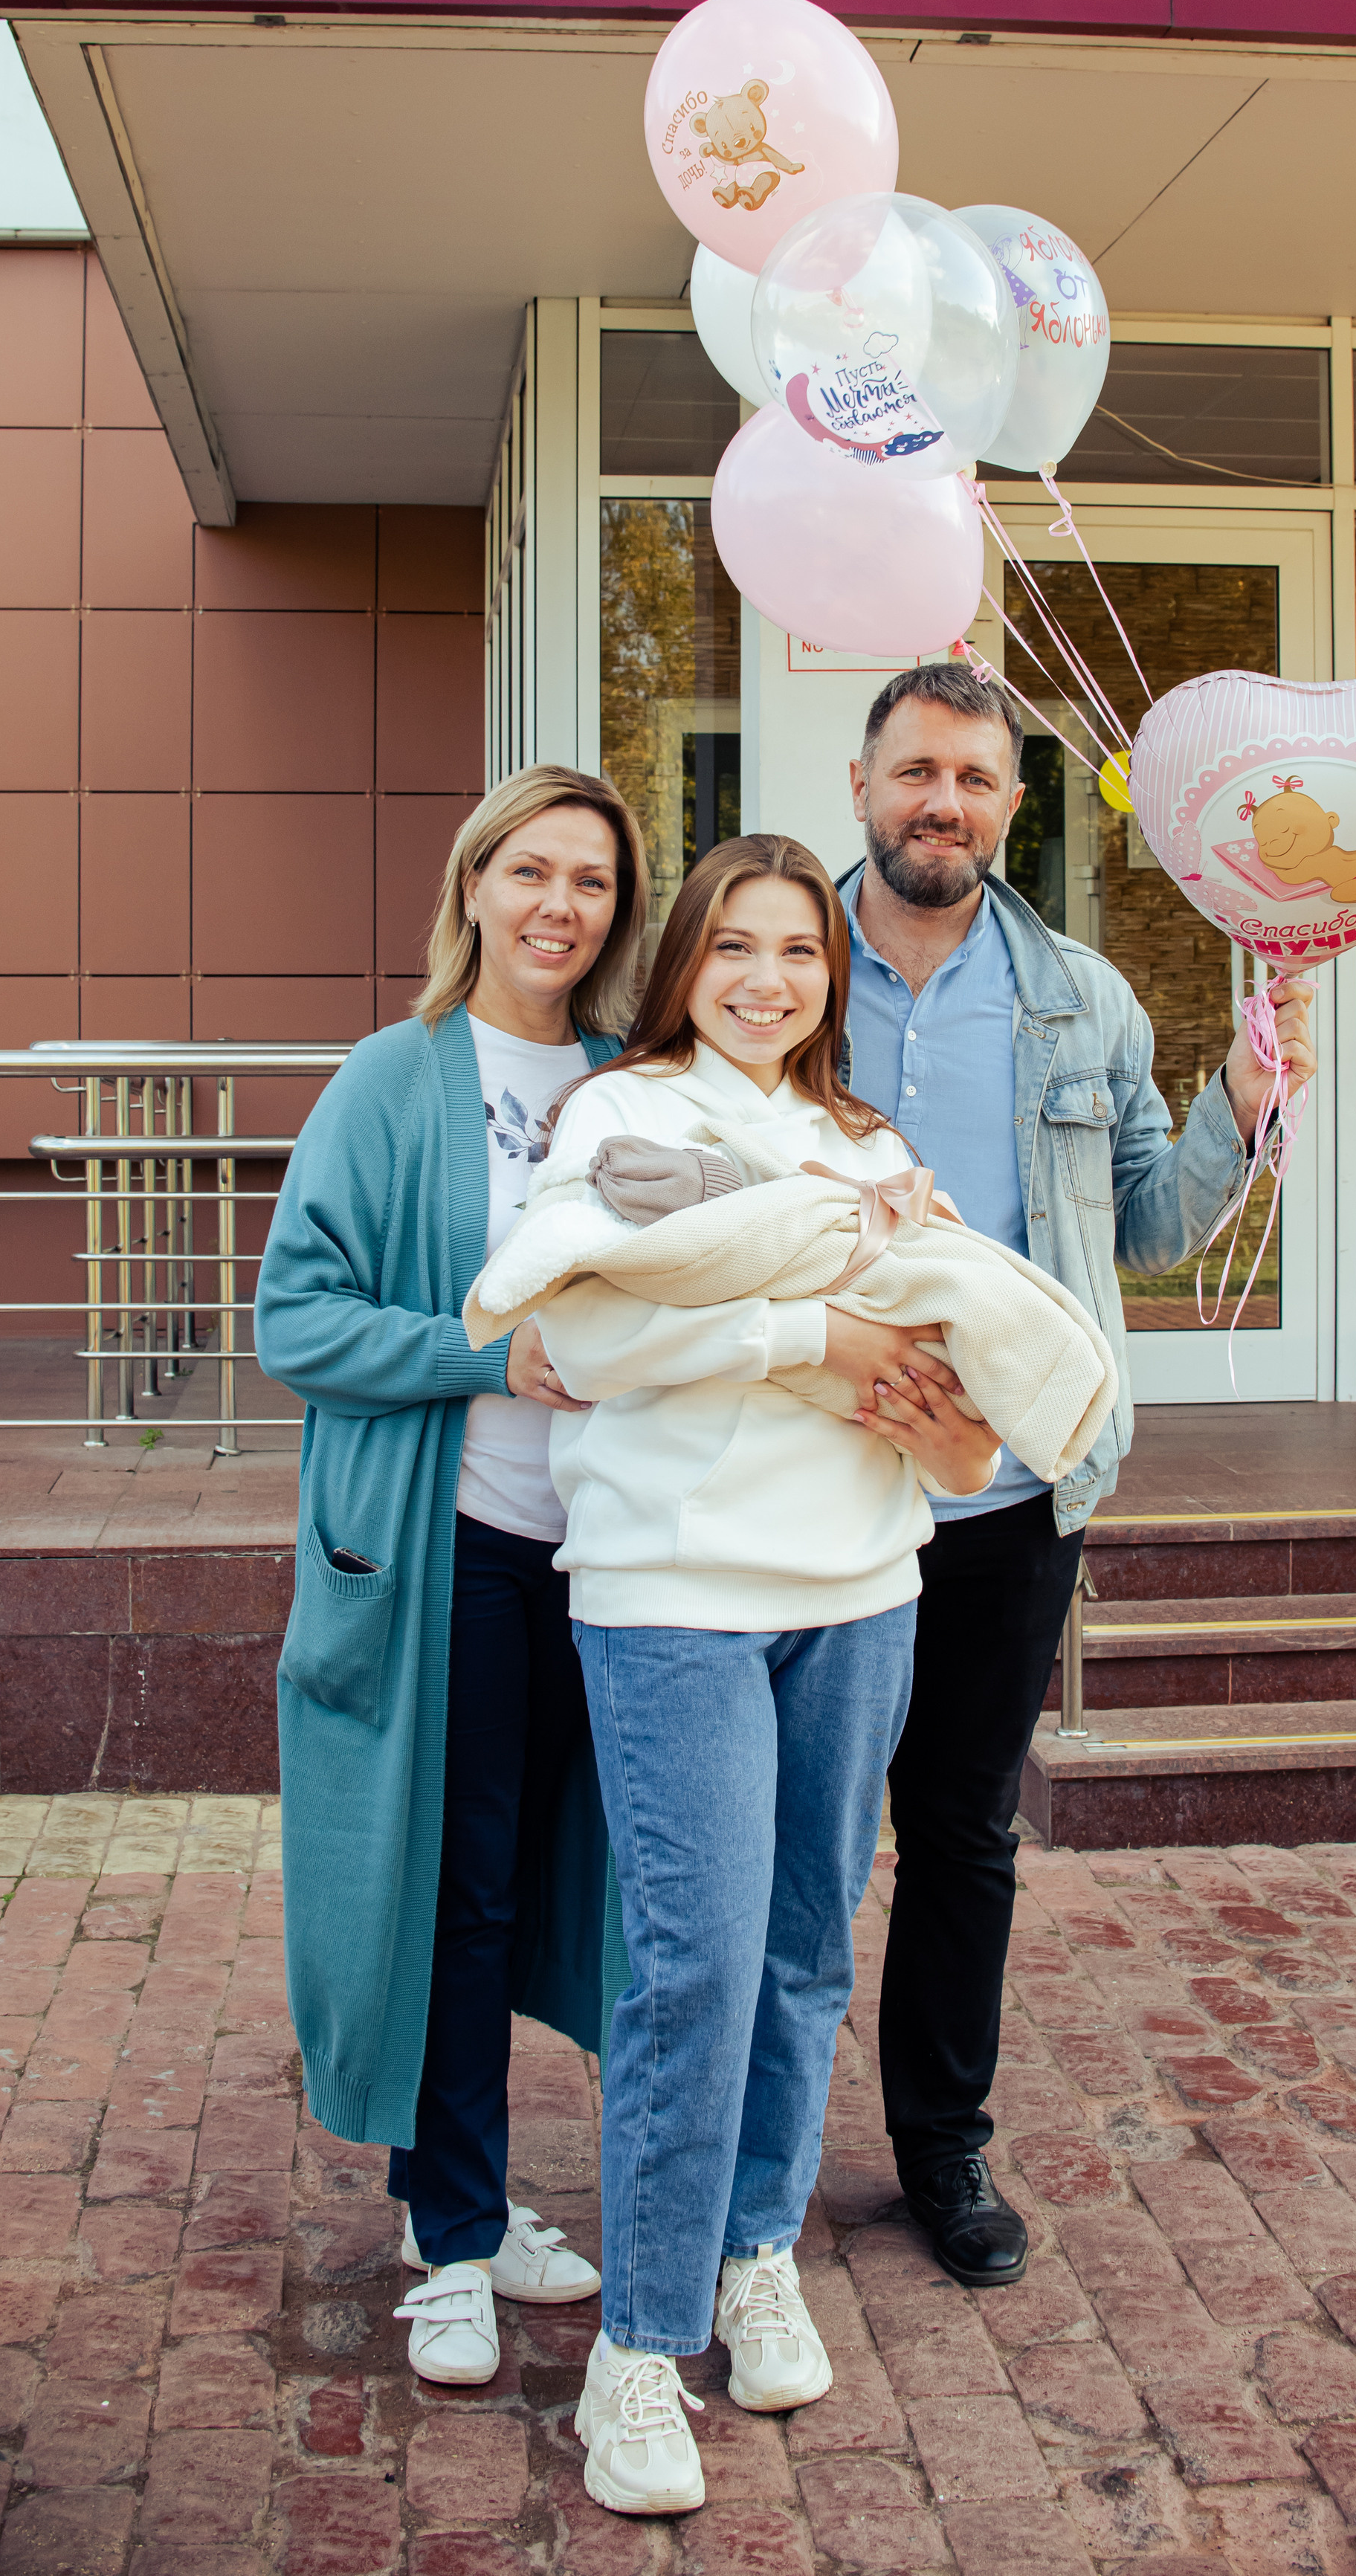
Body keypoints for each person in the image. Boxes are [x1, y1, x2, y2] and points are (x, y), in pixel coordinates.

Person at [526, 833, 1001, 2517]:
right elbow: (580, 1339)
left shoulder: (862, 1139)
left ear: (826, 972)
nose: (765, 978)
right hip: (673, 1598)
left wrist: (912, 1357)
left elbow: (936, 1339)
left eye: (795, 950)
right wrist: (806, 1332)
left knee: (804, 1951)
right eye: (733, 945)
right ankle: (637, 2351)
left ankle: (750, 2251)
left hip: (865, 1590)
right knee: (693, 1970)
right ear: (684, 959)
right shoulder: (621, 1118)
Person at [839, 662, 1317, 2287]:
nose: (941, 802)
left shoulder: (1081, 997)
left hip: (1002, 1495)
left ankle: (939, 2145)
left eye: (972, 777)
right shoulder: (767, 961)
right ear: (861, 782)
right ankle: (744, 2156)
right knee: (788, 1836)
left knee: (960, 1831)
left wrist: (1239, 1107)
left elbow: (1148, 1222)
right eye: (915, 770)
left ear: (1009, 805)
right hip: (805, 1482)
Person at [254, 763, 646, 2386]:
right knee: (458, 1892)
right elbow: (295, 1315)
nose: (561, 905)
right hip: (453, 1551)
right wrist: (481, 1351)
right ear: (473, 883)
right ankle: (461, 2234)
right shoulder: (389, 1079)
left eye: (594, 883)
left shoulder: (638, 1080)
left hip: (616, 1559)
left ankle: (452, 2195)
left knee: (561, 1881)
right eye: (532, 871)